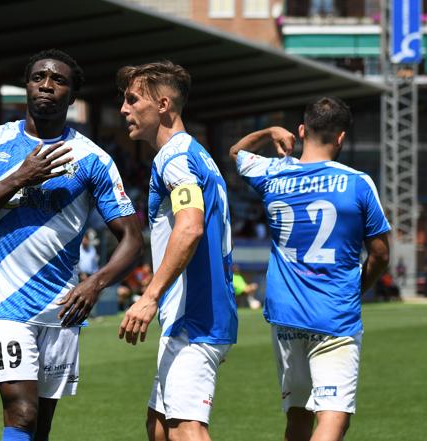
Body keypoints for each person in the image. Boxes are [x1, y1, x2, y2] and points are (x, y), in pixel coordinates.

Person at [0, 49, 143, 441]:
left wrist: (95, 283)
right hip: (4, 305)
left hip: (62, 307)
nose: (47, 86)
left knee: (41, 426)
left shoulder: (93, 158)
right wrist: (18, 178)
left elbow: (132, 238)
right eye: (38, 77)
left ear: (72, 94)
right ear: (27, 85)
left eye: (59, 80)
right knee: (21, 412)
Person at [229, 96, 390, 441]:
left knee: (298, 416)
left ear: (301, 131)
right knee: (333, 419)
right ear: (341, 138)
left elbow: (235, 152)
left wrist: (270, 130)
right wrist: (357, 288)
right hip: (334, 315)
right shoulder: (358, 183)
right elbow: (380, 255)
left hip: (285, 315)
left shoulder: (273, 171)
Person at [116, 60, 237, 441]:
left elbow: (190, 226)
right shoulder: (193, 153)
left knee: (186, 429)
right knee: (159, 427)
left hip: (196, 316)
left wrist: (149, 296)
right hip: (189, 315)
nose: (124, 109)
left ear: (164, 105)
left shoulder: (176, 158)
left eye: (133, 100)